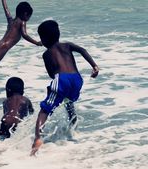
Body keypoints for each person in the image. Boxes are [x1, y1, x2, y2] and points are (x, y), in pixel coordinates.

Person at [31, 20, 99, 155]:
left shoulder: (46, 54)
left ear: (44, 38)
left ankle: (38, 139)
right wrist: (94, 66)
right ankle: (74, 129)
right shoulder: (67, 45)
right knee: (69, 102)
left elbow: (52, 74)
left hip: (62, 79)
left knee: (45, 110)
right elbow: (82, 50)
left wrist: (54, 88)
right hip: (77, 79)